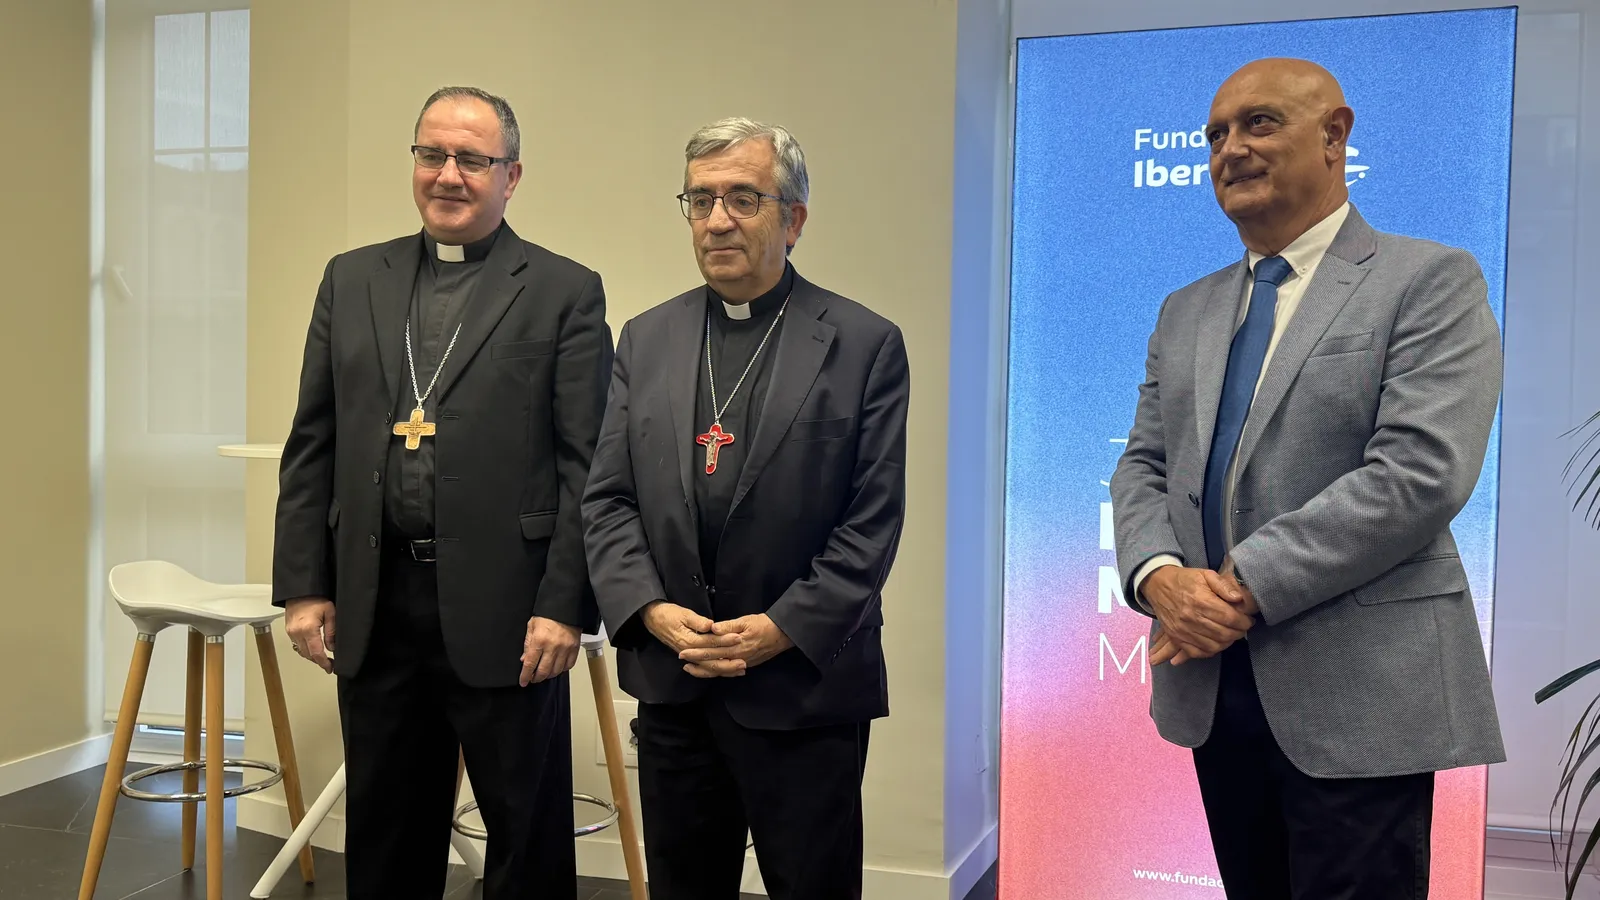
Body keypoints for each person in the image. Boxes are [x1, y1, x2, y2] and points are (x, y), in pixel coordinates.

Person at [1110, 58, 1505, 898]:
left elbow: (1420, 473)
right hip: (1213, 683)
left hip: (1362, 691)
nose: (1230, 149)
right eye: (1215, 135)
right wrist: (1159, 577)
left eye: (1259, 123)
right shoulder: (1185, 309)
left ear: (1334, 136)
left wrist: (1240, 586)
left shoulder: (1428, 280)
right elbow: (1144, 462)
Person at [272, 86, 611, 899]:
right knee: (386, 832)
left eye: (472, 159)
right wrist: (306, 585)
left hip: (511, 611)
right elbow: (313, 440)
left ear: (510, 176)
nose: (448, 174)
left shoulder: (563, 290)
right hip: (376, 600)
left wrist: (566, 605)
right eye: (432, 154)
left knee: (525, 840)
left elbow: (587, 467)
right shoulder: (352, 278)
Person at [581, 117, 909, 900]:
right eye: (700, 200)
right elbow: (609, 499)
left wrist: (778, 629)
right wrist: (651, 611)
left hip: (804, 686)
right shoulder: (646, 338)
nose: (717, 219)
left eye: (742, 198)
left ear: (793, 219)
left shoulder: (863, 344)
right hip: (676, 679)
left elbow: (871, 522)